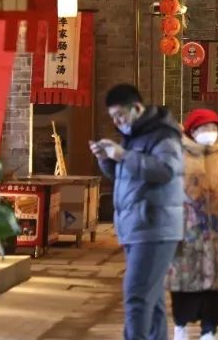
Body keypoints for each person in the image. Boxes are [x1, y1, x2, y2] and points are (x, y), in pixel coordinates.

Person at [90, 84, 184, 340]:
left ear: (137, 108)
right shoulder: (134, 136)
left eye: (120, 115)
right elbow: (126, 176)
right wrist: (105, 158)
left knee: (136, 297)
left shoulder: (163, 135)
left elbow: (165, 170)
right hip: (137, 226)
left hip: (155, 226)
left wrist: (122, 155)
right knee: (152, 300)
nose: (117, 122)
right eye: (113, 117)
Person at [168, 109, 218, 340]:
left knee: (215, 287)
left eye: (213, 127)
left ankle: (209, 330)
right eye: (204, 128)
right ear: (192, 131)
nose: (210, 132)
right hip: (184, 233)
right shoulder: (177, 157)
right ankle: (181, 326)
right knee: (183, 284)